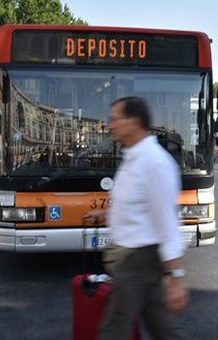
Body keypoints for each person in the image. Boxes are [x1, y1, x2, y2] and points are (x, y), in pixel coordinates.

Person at [82, 97, 187, 340]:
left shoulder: (154, 162)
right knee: (162, 328)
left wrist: (176, 278)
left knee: (113, 329)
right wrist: (105, 214)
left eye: (115, 119)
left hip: (138, 260)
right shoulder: (133, 157)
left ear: (134, 122)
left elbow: (167, 223)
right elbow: (136, 206)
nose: (110, 125)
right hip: (132, 259)